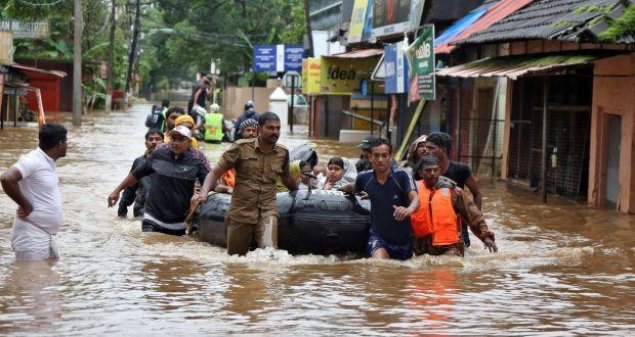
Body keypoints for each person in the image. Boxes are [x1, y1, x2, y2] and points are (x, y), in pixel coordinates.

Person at [197, 112, 299, 255]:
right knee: (236, 259)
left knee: (269, 255)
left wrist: (300, 190)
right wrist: (203, 193)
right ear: (259, 129)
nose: (275, 132)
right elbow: (215, 172)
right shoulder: (240, 148)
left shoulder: (282, 152)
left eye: (277, 128)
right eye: (270, 128)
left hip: (267, 211)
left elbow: (287, 177)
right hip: (241, 211)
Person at [108, 126, 209, 236]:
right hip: (152, 218)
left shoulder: (196, 163)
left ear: (189, 142)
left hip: (178, 224)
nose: (176, 143)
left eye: (181, 140)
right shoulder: (158, 156)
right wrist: (116, 191)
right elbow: (135, 175)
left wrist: (205, 194)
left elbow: (210, 182)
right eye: (174, 139)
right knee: (149, 248)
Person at [340, 137, 419, 260]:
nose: (380, 160)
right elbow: (353, 187)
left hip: (404, 242)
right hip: (379, 239)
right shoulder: (364, 178)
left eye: (384, 155)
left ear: (390, 157)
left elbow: (416, 200)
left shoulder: (402, 175)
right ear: (370, 157)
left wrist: (408, 210)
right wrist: (336, 188)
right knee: (379, 267)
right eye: (376, 156)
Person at [0, 124, 68, 260]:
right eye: (66, 141)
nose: (68, 145)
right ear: (59, 144)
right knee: (30, 280)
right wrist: (25, 205)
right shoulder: (33, 160)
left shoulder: (48, 162)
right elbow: (6, 178)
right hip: (31, 236)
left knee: (46, 279)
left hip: (46, 236)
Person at [411, 155, 497, 256]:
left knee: (451, 264)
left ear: (440, 171)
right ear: (421, 173)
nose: (432, 173)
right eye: (428, 170)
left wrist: (485, 236)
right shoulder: (412, 191)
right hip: (420, 247)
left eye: (435, 170)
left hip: (448, 247)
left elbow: (473, 215)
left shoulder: (454, 192)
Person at [424, 132, 483, 247]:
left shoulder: (461, 170)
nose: (426, 151)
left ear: (443, 150)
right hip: (431, 227)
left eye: (431, 148)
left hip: (459, 228)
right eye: (425, 147)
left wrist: (474, 219)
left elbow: (477, 194)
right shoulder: (423, 171)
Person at [117, 129, 163, 218]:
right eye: (151, 139)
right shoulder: (139, 162)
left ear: (164, 143)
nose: (154, 142)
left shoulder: (170, 162)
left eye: (158, 139)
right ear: (146, 143)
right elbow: (130, 188)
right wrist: (122, 212)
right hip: (142, 209)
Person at [213, 118, 259, 194]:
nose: (251, 133)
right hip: (232, 189)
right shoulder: (232, 152)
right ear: (243, 133)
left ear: (257, 133)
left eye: (254, 131)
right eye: (248, 130)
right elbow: (217, 182)